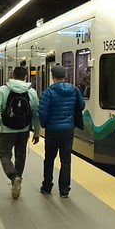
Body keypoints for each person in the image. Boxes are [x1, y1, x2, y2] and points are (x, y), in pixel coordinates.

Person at [0, 66, 41, 199]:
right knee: (21, 155)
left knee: (4, 155)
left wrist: (0, 122)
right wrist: (37, 132)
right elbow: (36, 113)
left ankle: (13, 177)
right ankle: (18, 178)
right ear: (26, 77)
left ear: (12, 75)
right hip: (24, 130)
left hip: (7, 130)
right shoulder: (31, 92)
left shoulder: (3, 89)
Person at [38, 64, 85, 198]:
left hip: (52, 131)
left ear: (53, 77)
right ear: (65, 76)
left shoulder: (48, 92)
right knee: (66, 160)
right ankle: (64, 190)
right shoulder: (74, 90)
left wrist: (44, 124)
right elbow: (81, 105)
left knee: (49, 159)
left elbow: (42, 112)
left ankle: (47, 186)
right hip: (68, 130)